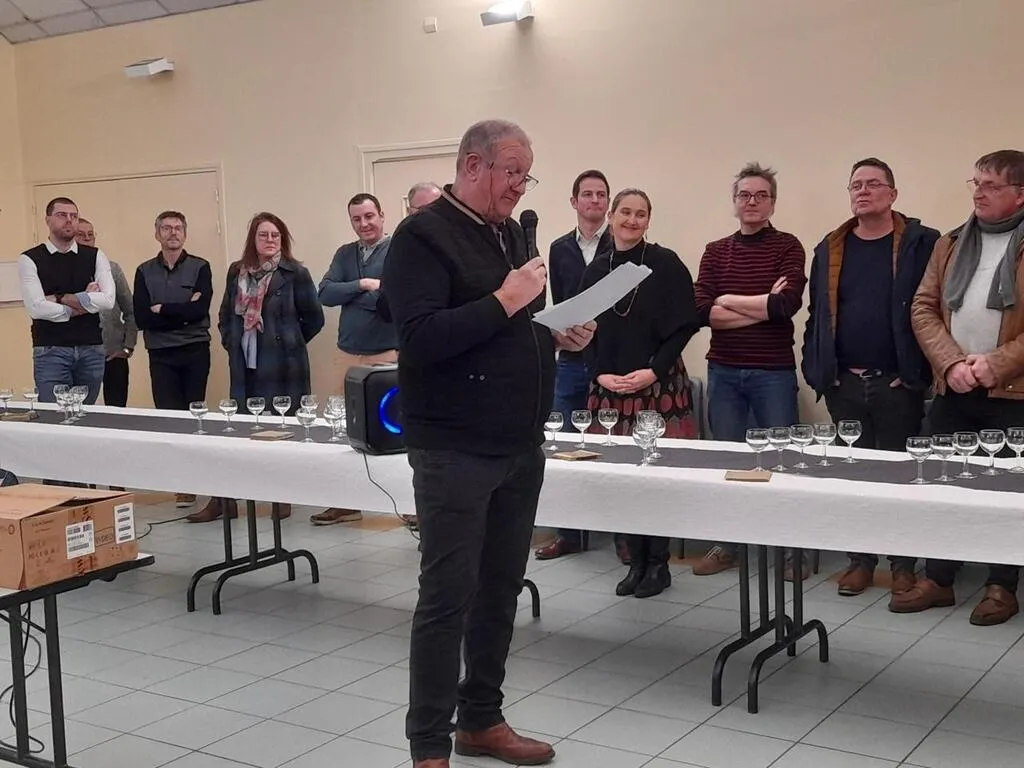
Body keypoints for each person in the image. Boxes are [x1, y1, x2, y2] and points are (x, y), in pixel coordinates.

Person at [383, 119, 594, 768]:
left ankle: (481, 720)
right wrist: (506, 299)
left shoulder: (508, 233)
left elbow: (507, 327)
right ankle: (429, 747)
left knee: (501, 590)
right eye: (512, 173)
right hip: (454, 449)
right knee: (447, 597)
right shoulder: (420, 236)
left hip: (518, 443)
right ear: (473, 166)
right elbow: (420, 339)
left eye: (527, 176)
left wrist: (554, 330)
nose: (520, 187)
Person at [894, 149, 1024, 626]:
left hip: (1013, 393)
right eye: (976, 183)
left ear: (1020, 195)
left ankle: (1001, 586)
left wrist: (997, 364)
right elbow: (923, 307)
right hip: (955, 387)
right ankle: (939, 579)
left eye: (990, 185)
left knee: (1007, 491)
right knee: (943, 483)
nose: (978, 193)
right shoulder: (950, 242)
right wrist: (950, 363)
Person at [802, 158, 939, 597]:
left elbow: (936, 309)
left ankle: (902, 566)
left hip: (897, 384)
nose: (863, 191)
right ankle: (860, 561)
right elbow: (817, 315)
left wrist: (917, 374)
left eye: (873, 184)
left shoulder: (922, 243)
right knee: (855, 478)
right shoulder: (830, 248)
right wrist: (818, 371)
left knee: (901, 478)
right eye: (856, 185)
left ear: (893, 194)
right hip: (843, 384)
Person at [581, 188, 700, 598]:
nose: (632, 220)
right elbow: (581, 328)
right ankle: (635, 562)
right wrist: (599, 374)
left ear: (649, 220)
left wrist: (654, 370)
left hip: (657, 386)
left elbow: (686, 325)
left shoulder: (664, 264)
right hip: (610, 390)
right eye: (625, 212)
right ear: (611, 216)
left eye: (641, 214)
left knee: (655, 479)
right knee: (621, 480)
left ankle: (658, 564)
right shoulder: (596, 270)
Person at [692, 163, 807, 576]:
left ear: (772, 202)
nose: (752, 202)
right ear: (734, 201)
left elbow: (785, 305)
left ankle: (790, 549)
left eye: (761, 195)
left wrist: (728, 299)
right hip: (724, 371)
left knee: (782, 460)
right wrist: (760, 304)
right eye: (745, 195)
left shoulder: (788, 246)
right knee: (729, 461)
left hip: (772, 372)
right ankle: (730, 543)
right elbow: (701, 311)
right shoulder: (716, 250)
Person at [219, 213, 325, 520]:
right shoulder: (236, 272)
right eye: (263, 235)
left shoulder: (295, 273)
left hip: (283, 365)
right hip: (245, 362)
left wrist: (289, 342)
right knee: (245, 427)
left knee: (282, 429)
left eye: (275, 235)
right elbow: (225, 314)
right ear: (253, 239)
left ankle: (282, 495)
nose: (269, 240)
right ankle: (239, 495)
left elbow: (314, 318)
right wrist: (231, 340)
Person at [534, 169, 613, 561]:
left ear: (608, 202)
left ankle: (624, 538)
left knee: (612, 445)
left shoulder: (620, 243)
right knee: (563, 443)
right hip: (570, 360)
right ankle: (569, 533)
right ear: (574, 201)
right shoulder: (559, 248)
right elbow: (562, 300)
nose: (594, 200)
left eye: (601, 194)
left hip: (610, 359)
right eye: (587, 194)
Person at [315, 193, 398, 526]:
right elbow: (325, 293)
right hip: (348, 353)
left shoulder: (398, 250)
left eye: (369, 216)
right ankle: (345, 504)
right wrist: (363, 285)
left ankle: (409, 508)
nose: (364, 224)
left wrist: (350, 295)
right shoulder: (345, 254)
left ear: (382, 215)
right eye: (357, 219)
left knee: (394, 430)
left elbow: (393, 300)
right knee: (343, 430)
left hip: (388, 354)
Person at [133, 211, 217, 516]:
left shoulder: (200, 267)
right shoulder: (144, 271)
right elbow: (143, 317)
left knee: (194, 417)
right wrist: (181, 311)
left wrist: (163, 309)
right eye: (166, 228)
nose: (172, 233)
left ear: (185, 234)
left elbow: (200, 311)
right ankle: (182, 483)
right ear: (157, 234)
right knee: (170, 418)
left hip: (195, 350)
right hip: (161, 354)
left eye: (178, 228)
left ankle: (197, 478)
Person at [18, 197, 115, 404]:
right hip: (51, 350)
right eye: (62, 215)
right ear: (48, 220)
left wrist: (60, 298)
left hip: (91, 349)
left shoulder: (95, 255)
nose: (69, 220)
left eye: (74, 216)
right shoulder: (30, 258)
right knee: (54, 415)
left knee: (84, 415)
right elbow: (36, 308)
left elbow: (108, 300)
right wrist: (84, 303)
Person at [76, 218, 137, 407]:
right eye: (81, 235)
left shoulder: (112, 269)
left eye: (90, 234)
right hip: (80, 354)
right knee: (81, 408)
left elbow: (131, 310)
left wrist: (127, 347)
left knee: (117, 410)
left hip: (113, 353)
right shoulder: (66, 271)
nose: (87, 239)